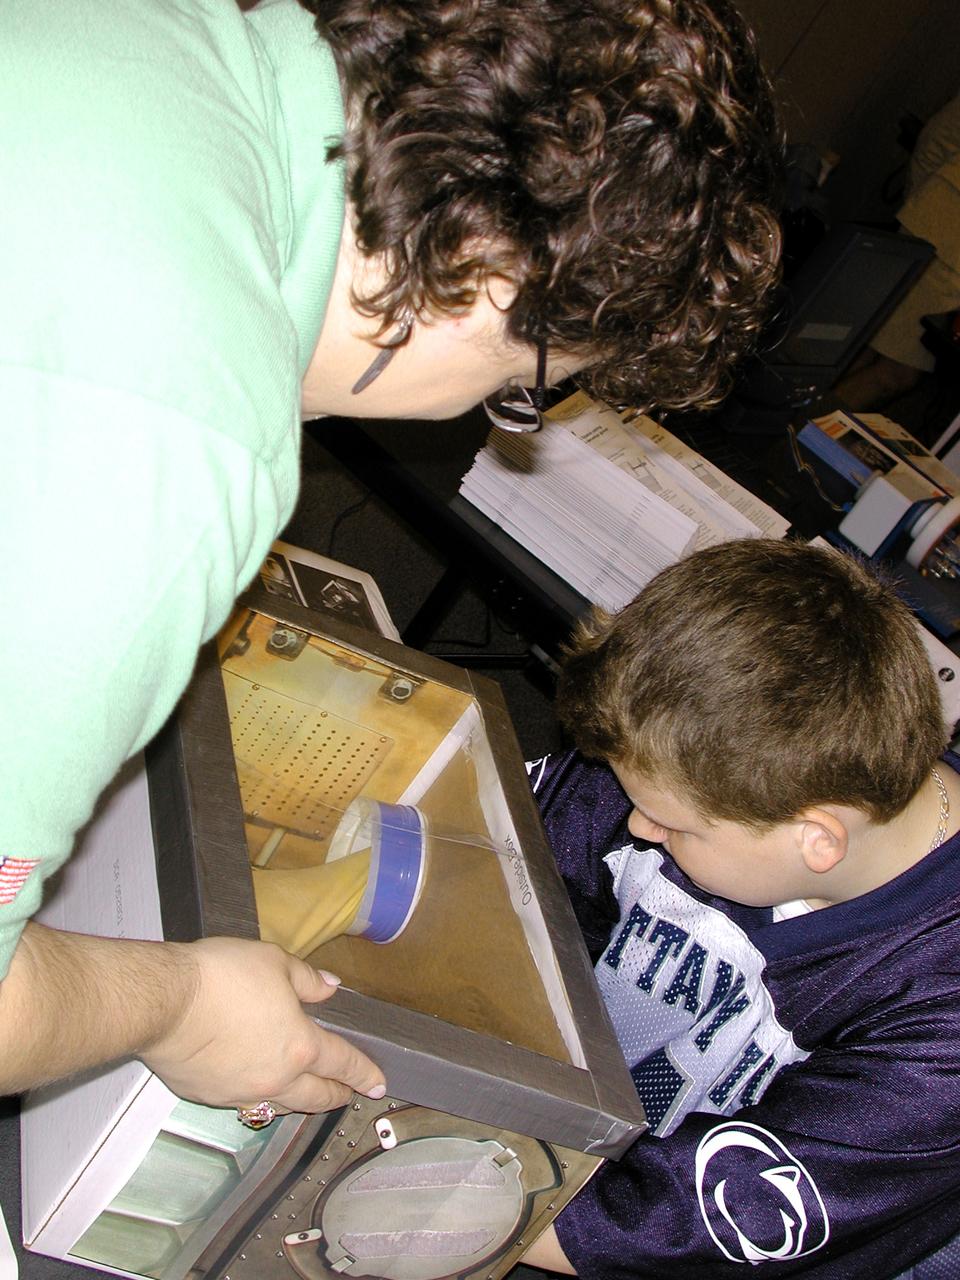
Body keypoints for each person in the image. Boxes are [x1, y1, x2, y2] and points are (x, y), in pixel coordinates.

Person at [0, 0, 782, 1120]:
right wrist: (181, 1006)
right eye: (522, 389)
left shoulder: (150, 28)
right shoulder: (181, 451)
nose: (478, 412)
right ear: (484, 266)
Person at [520, 538, 960, 1277]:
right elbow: (513, 841)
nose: (639, 827)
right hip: (600, 1119)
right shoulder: (714, 771)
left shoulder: (940, 1018)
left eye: (671, 825)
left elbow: (697, 1224)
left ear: (816, 840)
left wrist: (452, 1203)